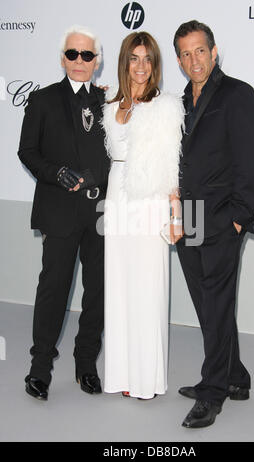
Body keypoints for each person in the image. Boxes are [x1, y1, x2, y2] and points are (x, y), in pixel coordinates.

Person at [173, 21, 254, 427]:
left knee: (218, 302)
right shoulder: (182, 102)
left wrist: (238, 220)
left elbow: (251, 160)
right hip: (190, 218)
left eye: (200, 51)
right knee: (208, 306)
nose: (194, 60)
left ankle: (212, 392)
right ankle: (235, 377)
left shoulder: (237, 94)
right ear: (179, 59)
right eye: (186, 54)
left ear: (214, 51)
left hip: (222, 218)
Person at [18, 25, 110, 401]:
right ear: (62, 58)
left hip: (101, 214)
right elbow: (27, 151)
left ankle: (85, 364)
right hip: (59, 212)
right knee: (53, 290)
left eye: (87, 55)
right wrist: (56, 173)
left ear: (97, 62)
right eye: (72, 54)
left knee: (97, 293)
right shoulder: (42, 100)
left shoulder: (109, 103)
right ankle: (39, 368)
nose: (79, 61)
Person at [102, 31, 184, 400]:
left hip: (149, 202)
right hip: (117, 196)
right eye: (133, 58)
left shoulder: (165, 106)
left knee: (149, 287)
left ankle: (146, 379)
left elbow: (171, 167)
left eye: (147, 59)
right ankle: (122, 375)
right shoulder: (109, 103)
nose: (140, 66)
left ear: (155, 65)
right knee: (119, 285)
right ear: (124, 62)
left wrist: (176, 215)